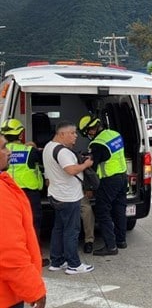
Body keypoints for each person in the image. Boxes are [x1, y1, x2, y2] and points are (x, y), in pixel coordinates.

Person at [0, 134, 47, 308]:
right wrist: (34, 290)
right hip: (5, 295)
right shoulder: (2, 194)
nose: (9, 152)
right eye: (4, 148)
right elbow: (9, 252)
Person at [42, 121, 94, 275]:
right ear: (62, 134)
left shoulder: (48, 147)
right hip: (68, 197)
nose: (75, 136)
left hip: (56, 194)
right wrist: (86, 165)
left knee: (58, 229)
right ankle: (74, 264)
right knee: (71, 231)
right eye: (72, 133)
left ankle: (56, 261)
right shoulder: (63, 152)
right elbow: (70, 170)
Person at [0, 119, 49, 266]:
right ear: (21, 134)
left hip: (8, 191)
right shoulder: (29, 151)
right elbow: (44, 160)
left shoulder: (2, 150)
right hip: (28, 195)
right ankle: (36, 257)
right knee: (33, 226)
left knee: (13, 227)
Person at [78, 115, 128, 256]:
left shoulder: (97, 144)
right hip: (123, 176)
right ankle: (121, 240)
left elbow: (91, 169)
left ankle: (110, 247)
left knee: (102, 211)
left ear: (92, 129)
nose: (88, 135)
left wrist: (88, 187)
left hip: (109, 180)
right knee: (119, 209)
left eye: (87, 132)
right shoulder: (115, 134)